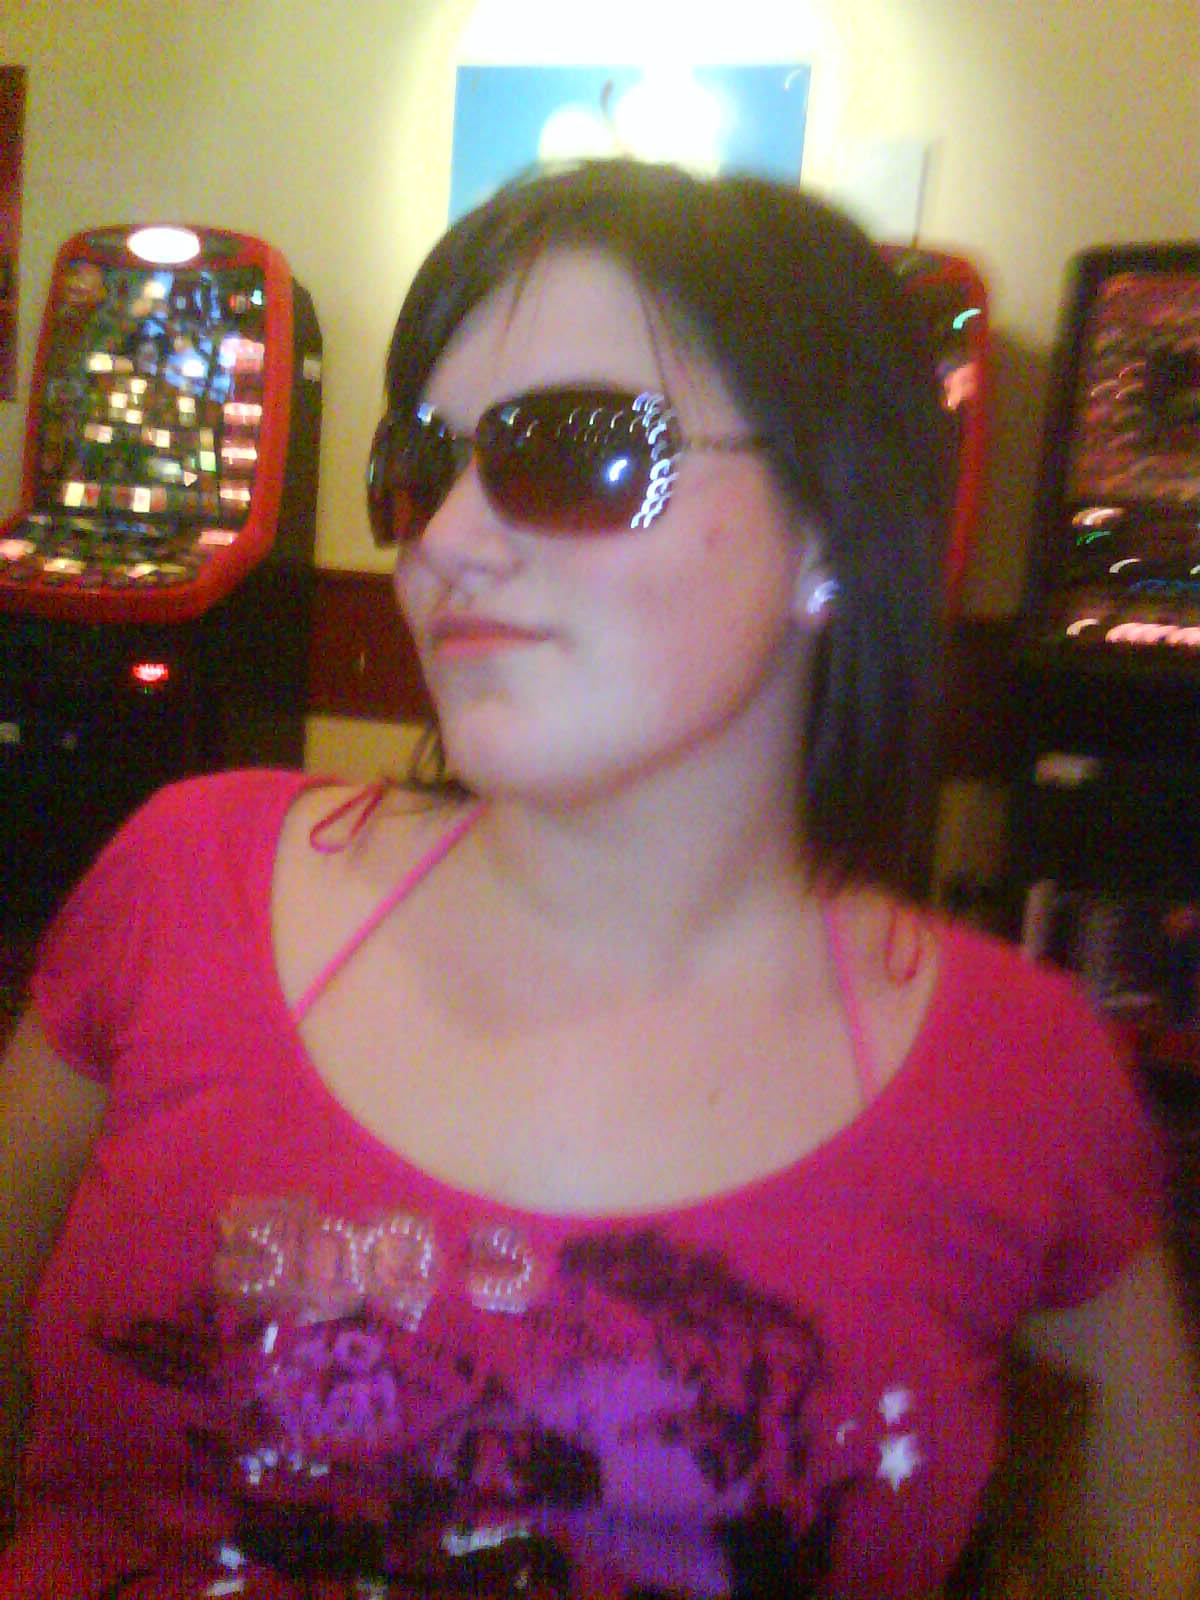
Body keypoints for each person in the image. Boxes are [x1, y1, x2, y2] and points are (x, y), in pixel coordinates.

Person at [1, 158, 1197, 1600]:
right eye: (418, 468)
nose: (444, 542)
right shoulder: (186, 878)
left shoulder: (1020, 1070)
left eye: (574, 450)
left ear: (829, 529)